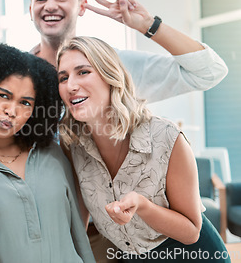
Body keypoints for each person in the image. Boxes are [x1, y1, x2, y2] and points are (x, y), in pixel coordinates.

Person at [57, 36, 230, 262]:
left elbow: (191, 232)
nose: (71, 85)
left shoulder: (166, 137)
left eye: (83, 72)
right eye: (63, 77)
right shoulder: (73, 144)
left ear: (110, 76)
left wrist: (143, 206)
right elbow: (80, 216)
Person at [0, 43, 95, 262]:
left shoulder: (53, 153)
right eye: (4, 96)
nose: (12, 111)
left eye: (25, 102)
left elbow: (77, 235)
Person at [28, 0, 228, 103]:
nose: (51, 6)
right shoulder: (15, 71)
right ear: (31, 10)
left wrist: (149, 25)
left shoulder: (117, 65)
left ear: (82, 7)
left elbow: (209, 72)